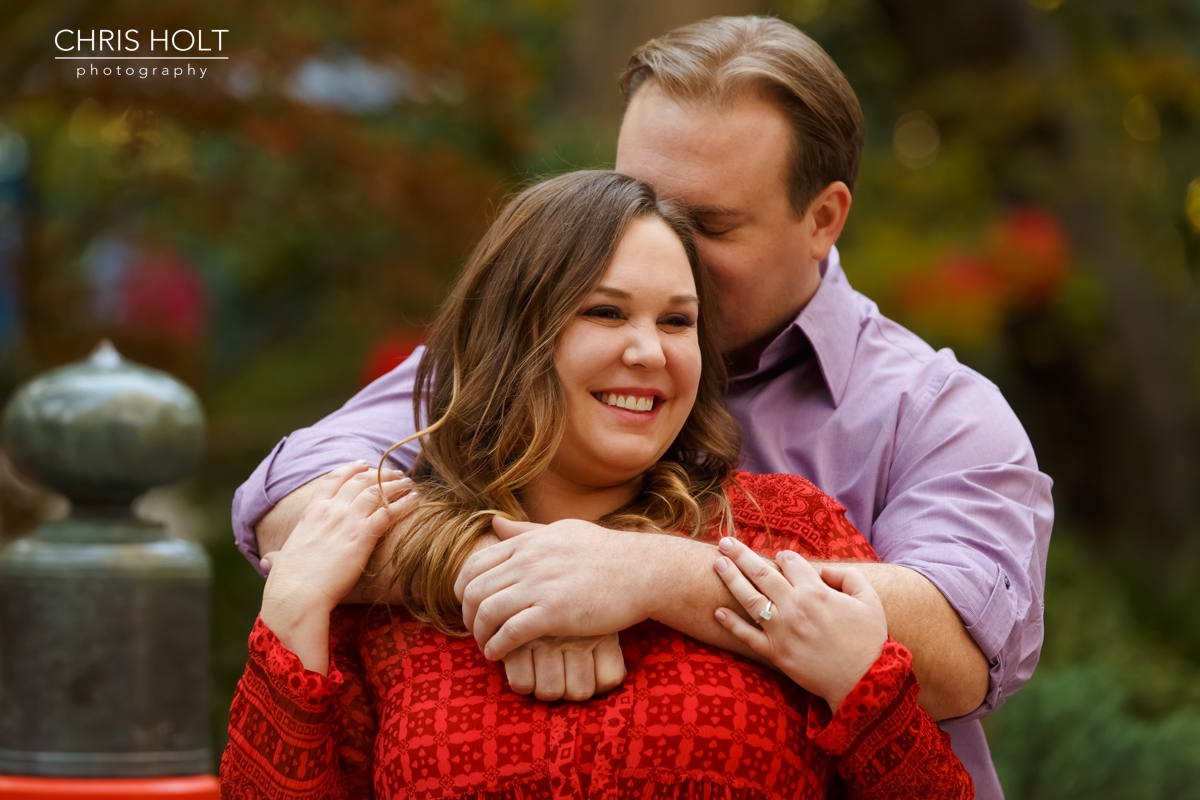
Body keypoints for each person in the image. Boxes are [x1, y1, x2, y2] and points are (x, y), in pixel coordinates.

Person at [233, 17, 1052, 799]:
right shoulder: (494, 367)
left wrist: (651, 574)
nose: (657, 234)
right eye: (636, 194)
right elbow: (290, 508)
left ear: (824, 218)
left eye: (709, 223)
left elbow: (955, 648)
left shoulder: (933, 412)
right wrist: (522, 573)